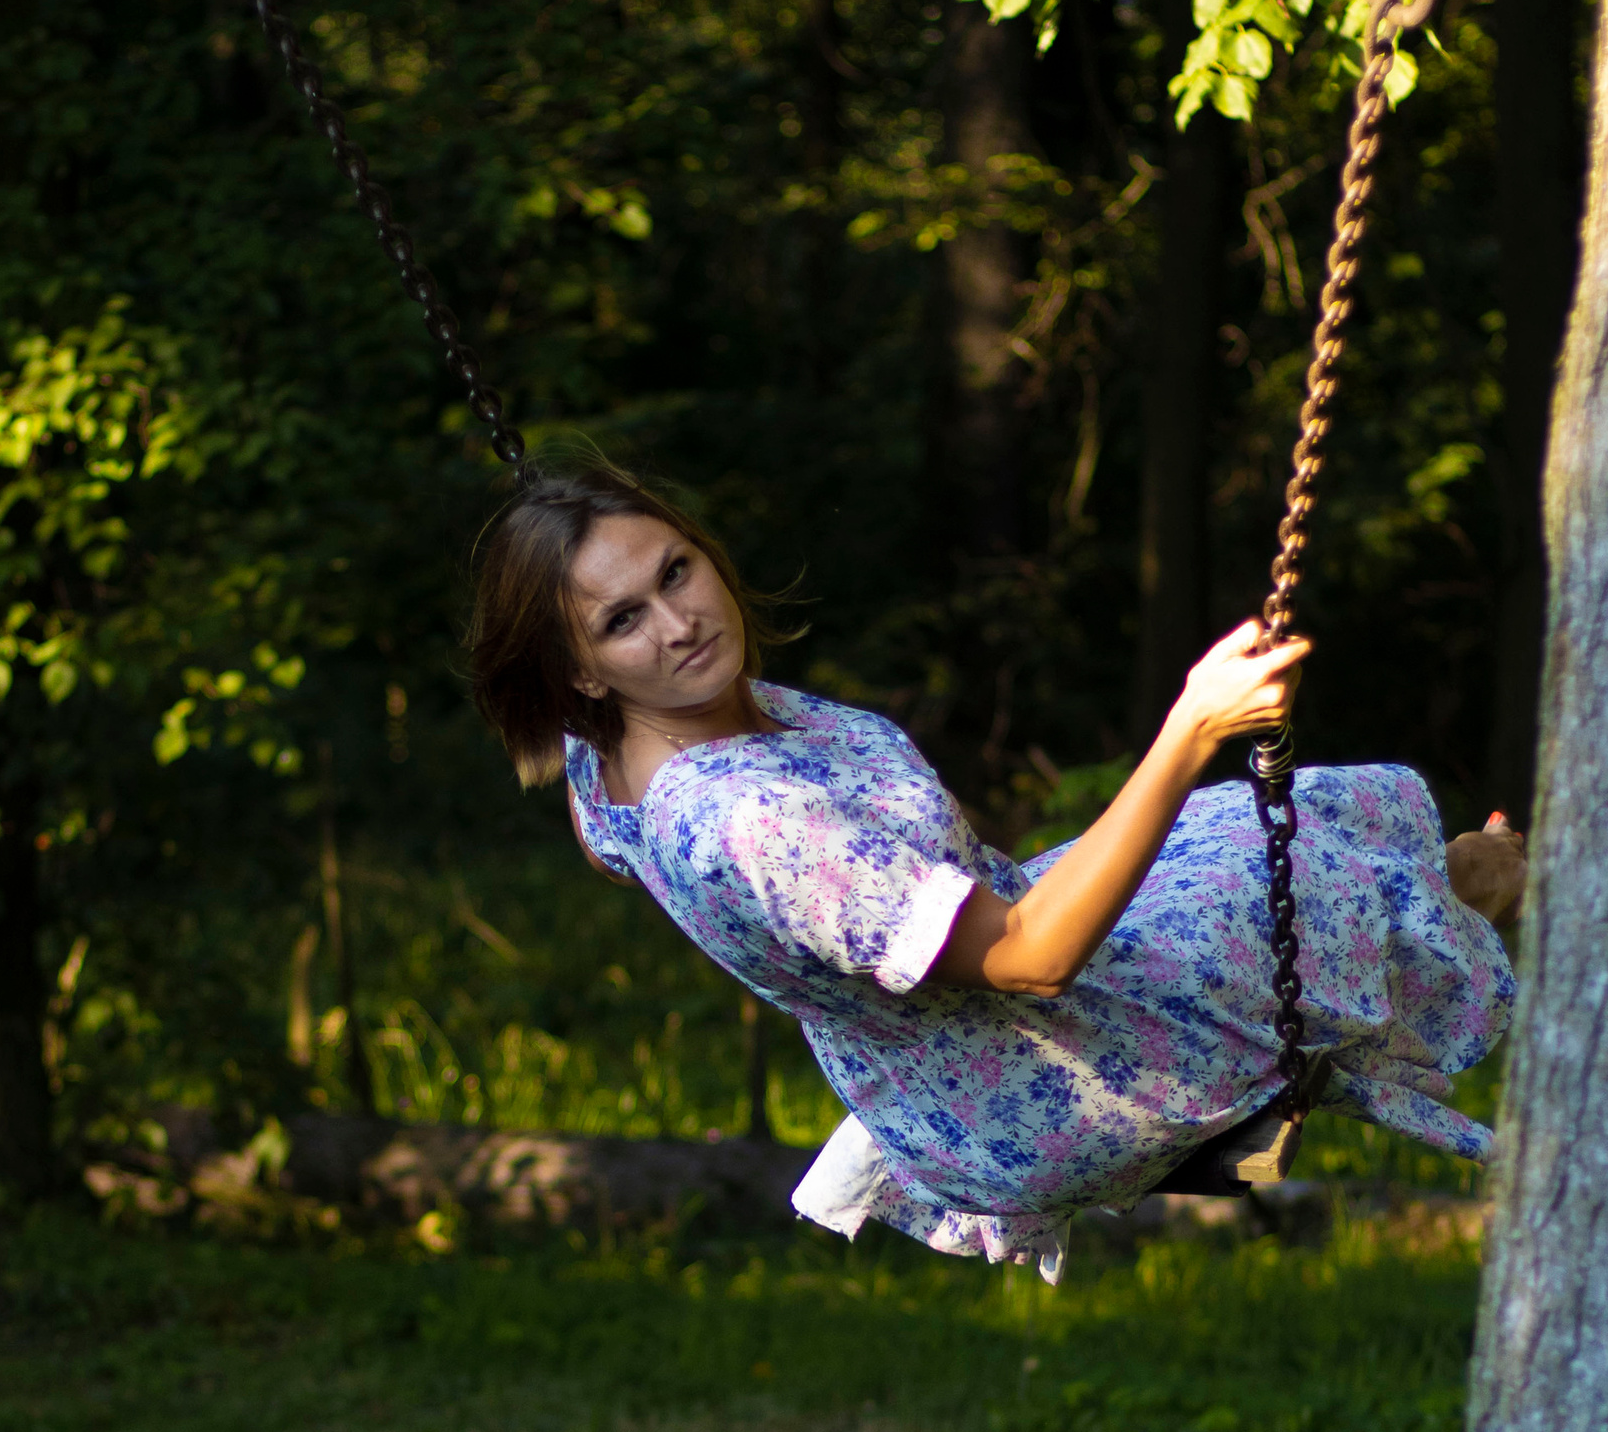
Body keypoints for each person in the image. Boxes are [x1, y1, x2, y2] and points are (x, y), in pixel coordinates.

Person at [465, 459, 1523, 1282]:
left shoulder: (608, 750)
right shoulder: (752, 821)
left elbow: (595, 815)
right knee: (1306, 884)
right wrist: (1188, 726)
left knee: (1281, 818)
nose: (678, 621)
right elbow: (1032, 957)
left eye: (673, 571)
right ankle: (1475, 894)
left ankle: (1455, 890)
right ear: (580, 670)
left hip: (962, 1011)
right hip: (1035, 1068)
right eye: (621, 621)